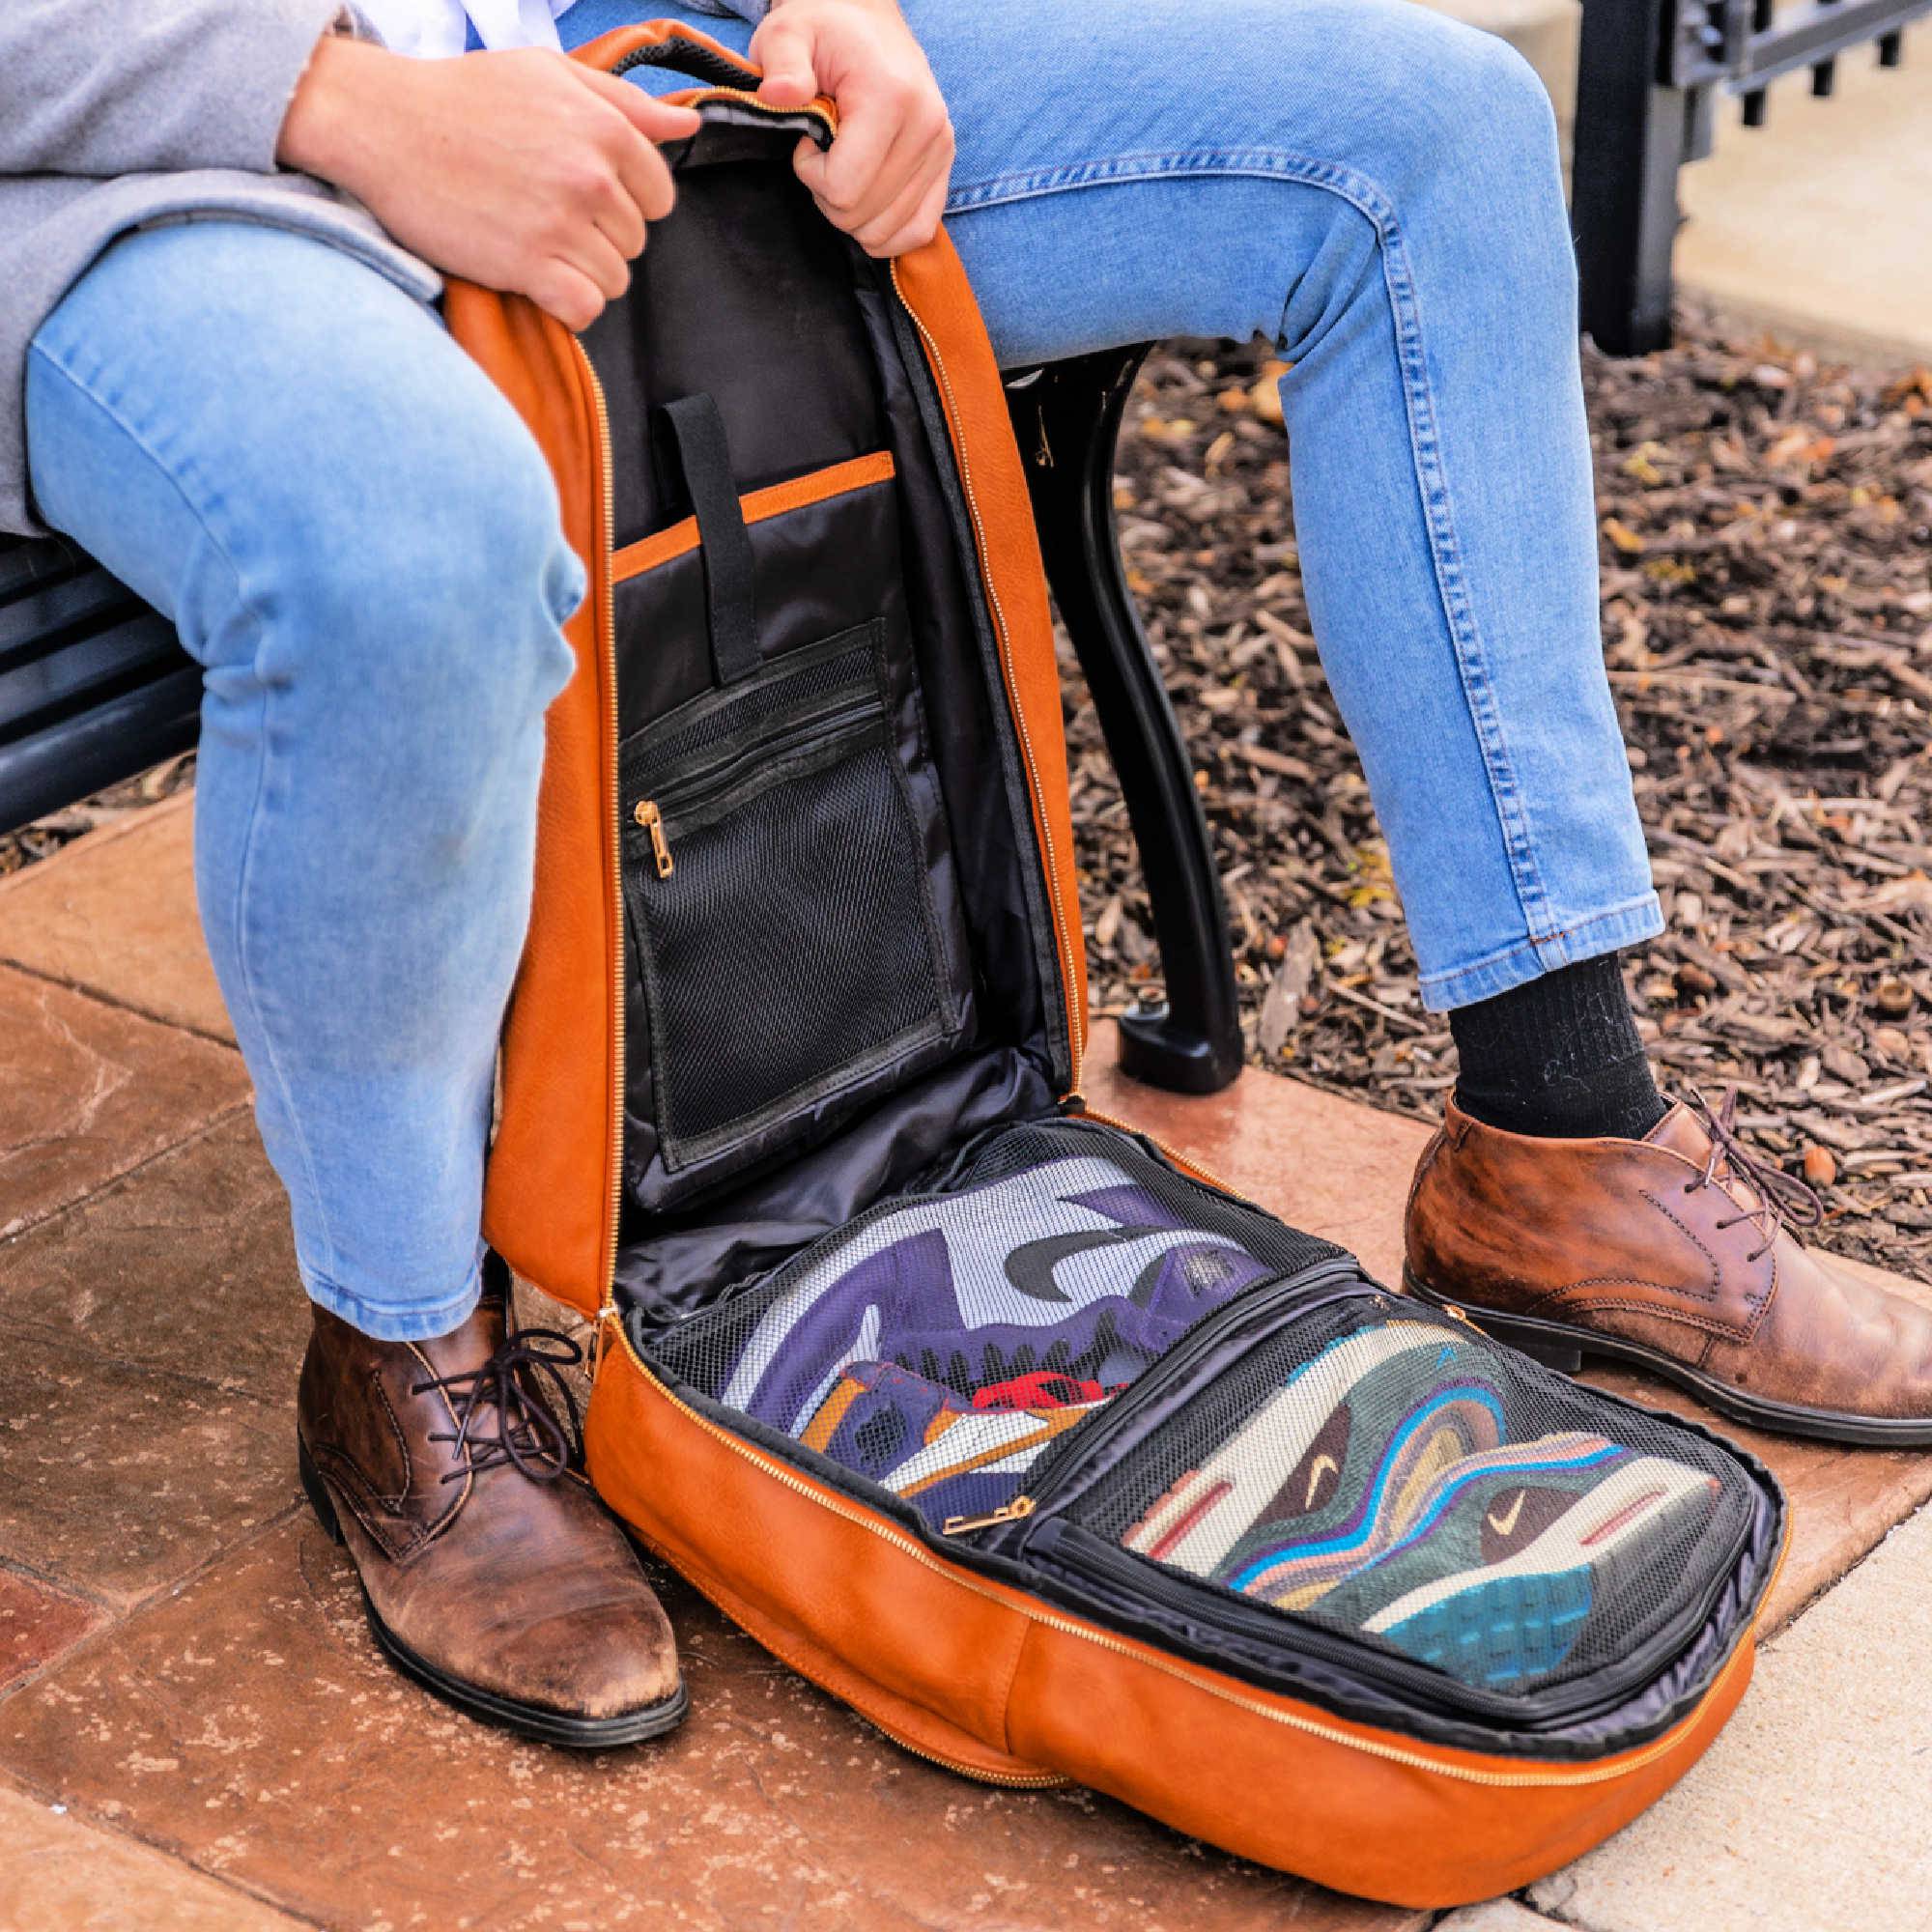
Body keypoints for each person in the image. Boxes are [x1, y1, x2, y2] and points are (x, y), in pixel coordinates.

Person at [8, 0, 1928, 1747]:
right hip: (166, 152)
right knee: (407, 555)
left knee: (1425, 135)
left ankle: (1560, 1142)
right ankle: (403, 1353)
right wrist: (331, 98)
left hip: (623, 48)